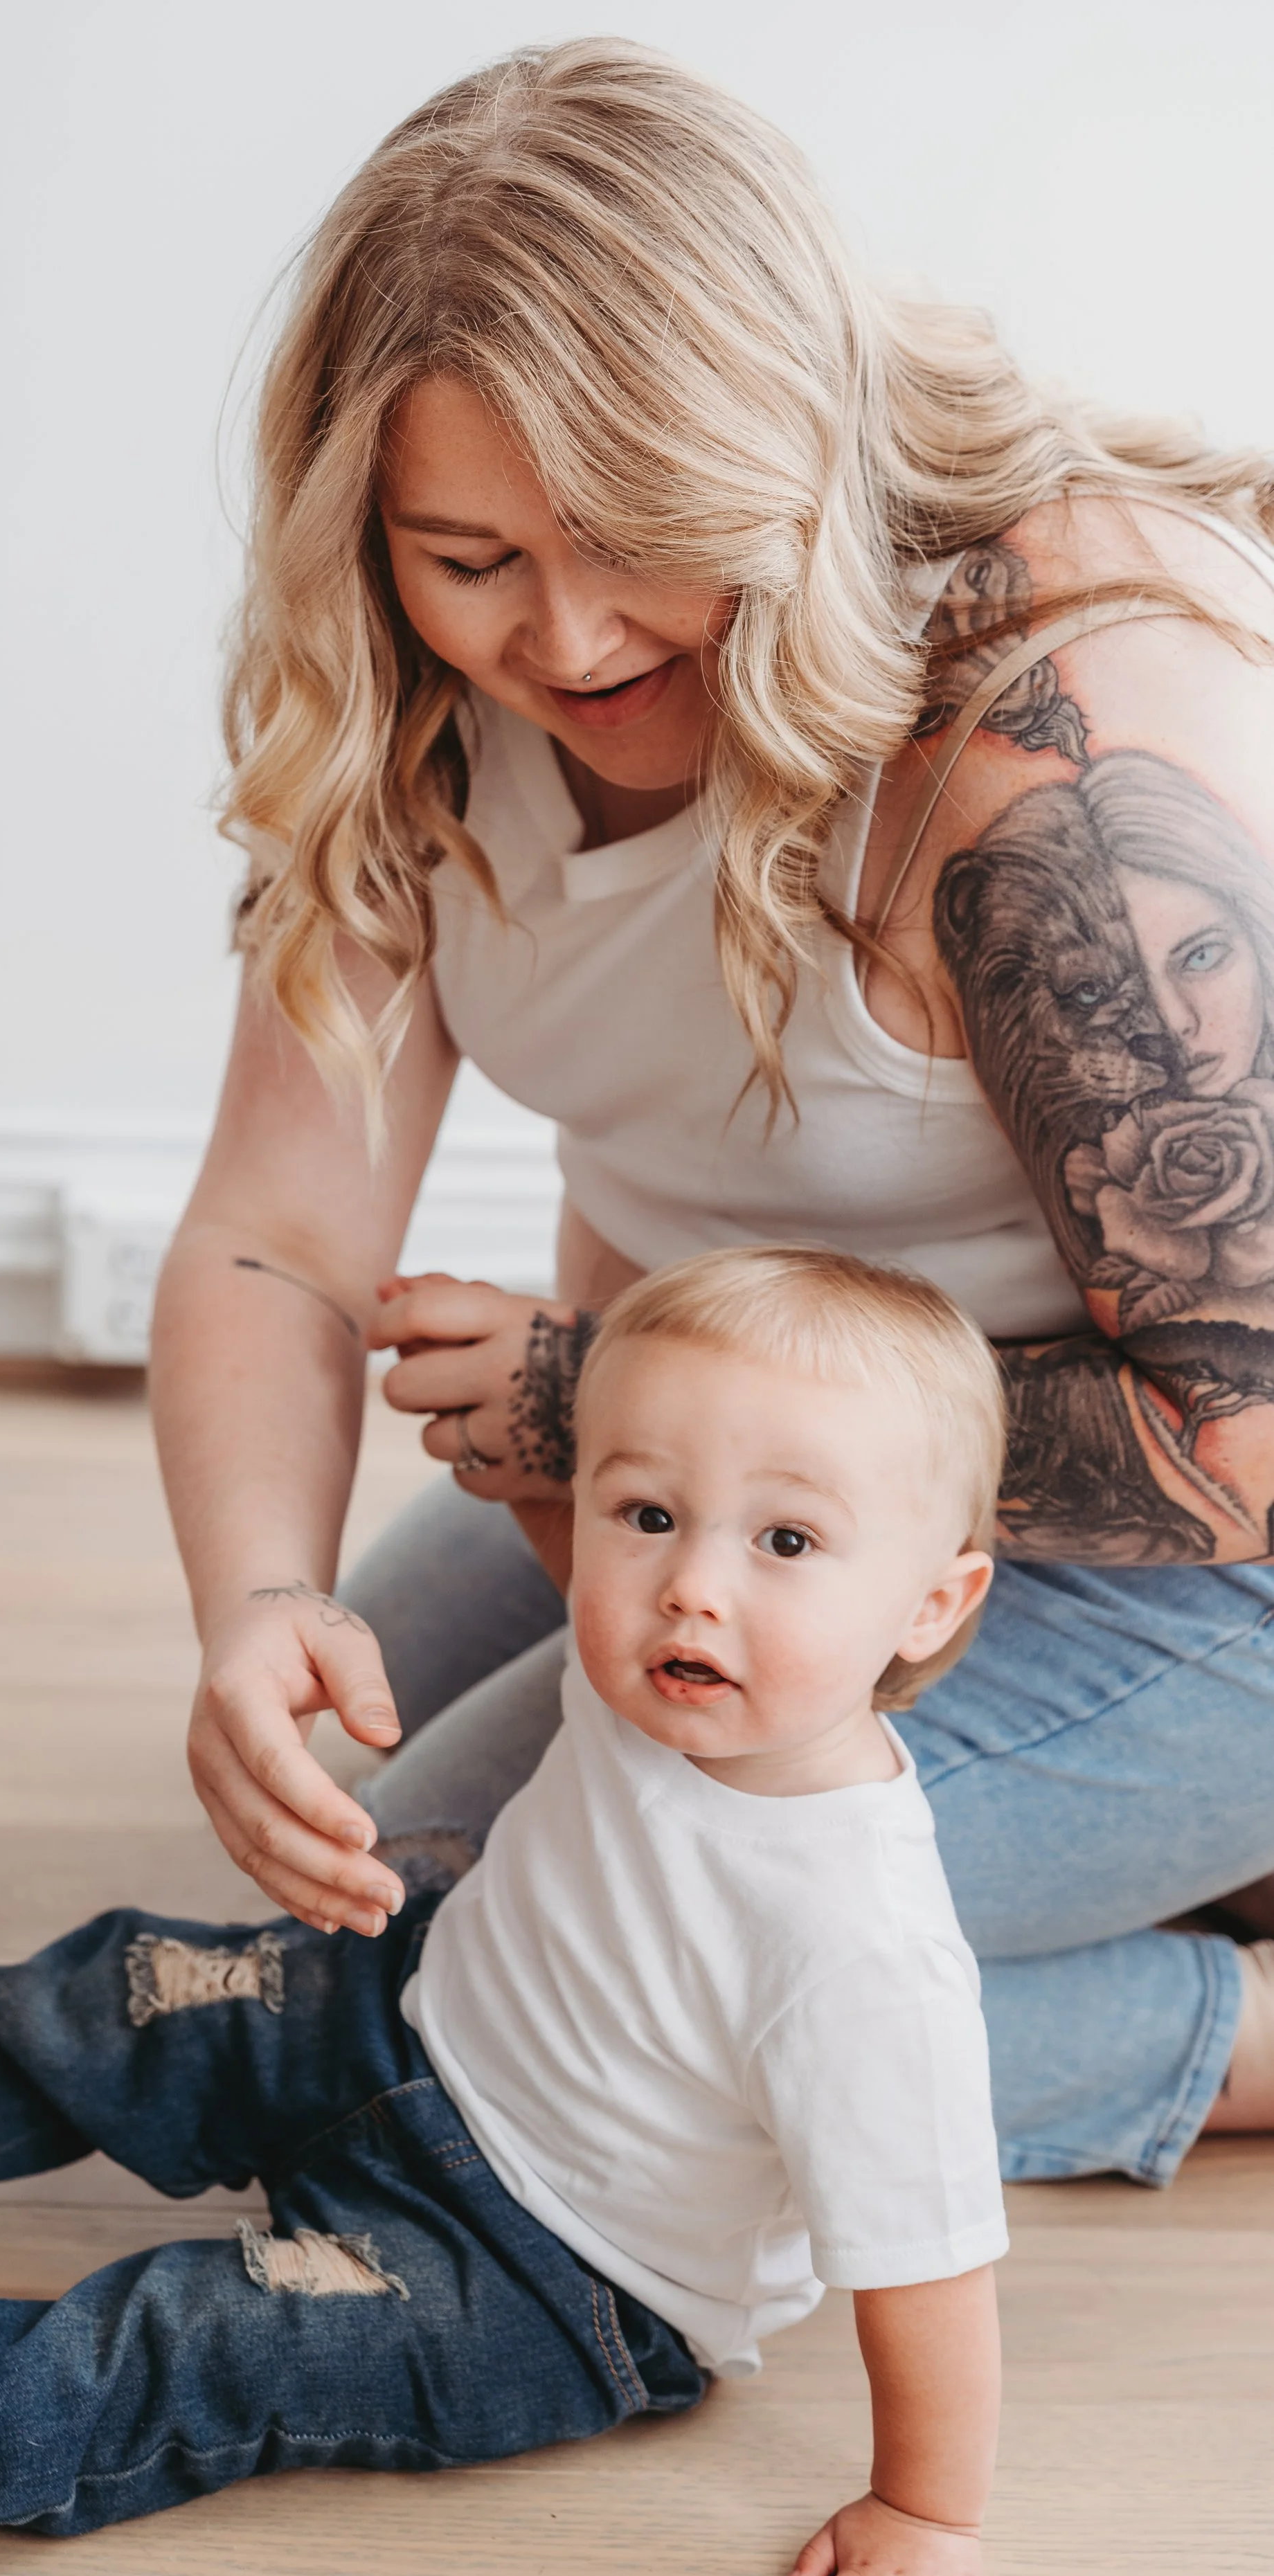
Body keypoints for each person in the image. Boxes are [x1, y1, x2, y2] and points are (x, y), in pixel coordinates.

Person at [150, 37, 1274, 2181]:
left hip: (1212, 1563)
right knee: (341, 1887)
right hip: (739, 1465)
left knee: (500, 1988)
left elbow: (1235, 1436)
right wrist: (249, 1600)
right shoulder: (402, 700)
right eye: (467, 554)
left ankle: (1218, 2025)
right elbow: (270, 1235)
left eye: (633, 536)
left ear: (776, 444)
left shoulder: (1053, 726)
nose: (561, 635)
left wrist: (589, 1409)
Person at [0, 1248, 1010, 2576]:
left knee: (202, 2336)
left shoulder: (862, 1949)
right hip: (404, 2014)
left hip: (549, 2276)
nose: (690, 1583)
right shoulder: (671, 1657)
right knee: (127, 1997)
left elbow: (927, 2267)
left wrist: (924, 2509)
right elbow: (585, 1534)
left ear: (929, 1603)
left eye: (784, 1541)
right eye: (646, 1514)